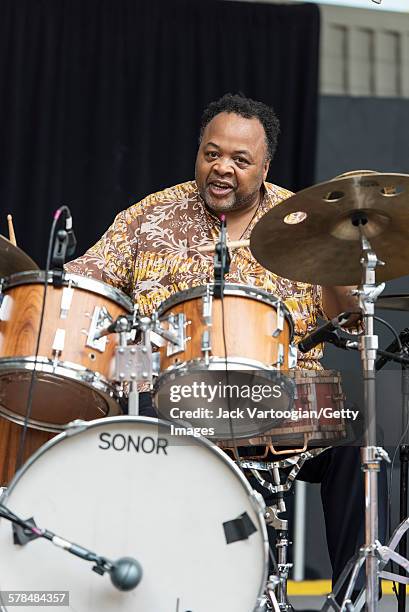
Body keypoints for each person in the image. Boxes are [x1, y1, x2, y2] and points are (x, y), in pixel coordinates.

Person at [66, 93, 384, 598]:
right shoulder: (150, 218)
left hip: (284, 400)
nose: (222, 168)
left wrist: (343, 265)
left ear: (264, 166)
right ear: (198, 152)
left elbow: (347, 320)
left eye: (240, 160)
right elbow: (82, 287)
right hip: (174, 402)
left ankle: (352, 596)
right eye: (212, 154)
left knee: (360, 435)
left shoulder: (303, 223)